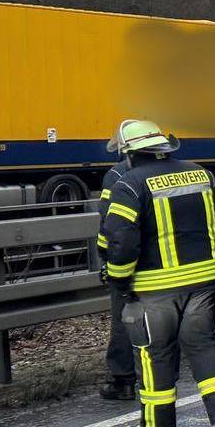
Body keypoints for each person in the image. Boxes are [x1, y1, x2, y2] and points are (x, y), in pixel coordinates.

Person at [97, 120, 215, 427]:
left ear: (129, 154)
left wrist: (119, 281)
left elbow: (119, 239)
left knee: (154, 354)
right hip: (204, 283)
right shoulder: (201, 174)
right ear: (164, 148)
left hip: (153, 289)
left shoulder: (129, 184)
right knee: (205, 347)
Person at [96, 133, 140, 401]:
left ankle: (123, 380)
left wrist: (108, 261)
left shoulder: (117, 176)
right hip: (167, 264)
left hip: (128, 261)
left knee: (125, 318)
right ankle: (161, 377)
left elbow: (109, 225)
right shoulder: (174, 171)